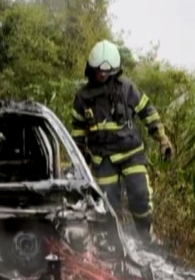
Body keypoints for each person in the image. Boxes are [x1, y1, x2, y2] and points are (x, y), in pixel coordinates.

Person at [70, 40, 174, 244]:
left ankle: (146, 237)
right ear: (91, 69)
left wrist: (162, 139)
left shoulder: (126, 88)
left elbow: (148, 112)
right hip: (103, 159)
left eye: (107, 72)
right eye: (99, 71)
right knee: (108, 206)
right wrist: (79, 159)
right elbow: (77, 132)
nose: (102, 75)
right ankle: (115, 245)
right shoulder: (82, 98)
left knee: (140, 197)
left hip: (131, 153)